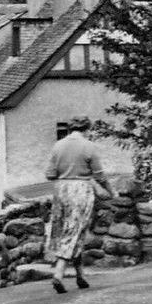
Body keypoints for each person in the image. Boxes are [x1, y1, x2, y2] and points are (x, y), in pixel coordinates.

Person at [44, 116, 107, 294]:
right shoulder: (88, 146)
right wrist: (111, 192)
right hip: (81, 190)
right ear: (86, 129)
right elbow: (100, 176)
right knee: (75, 231)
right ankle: (58, 274)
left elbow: (49, 174)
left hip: (61, 190)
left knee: (69, 230)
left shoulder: (58, 145)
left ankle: (80, 276)